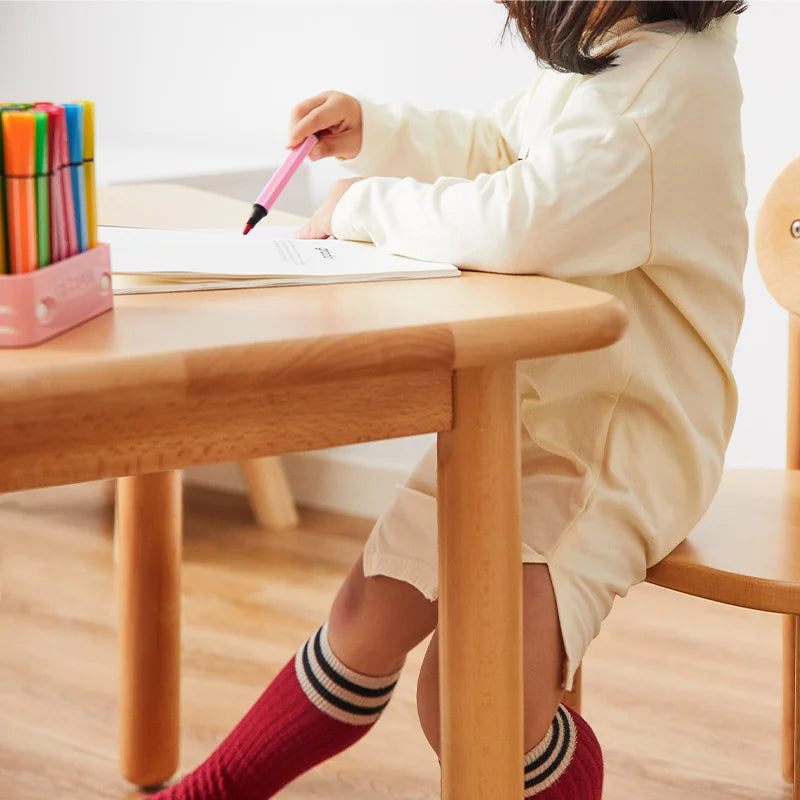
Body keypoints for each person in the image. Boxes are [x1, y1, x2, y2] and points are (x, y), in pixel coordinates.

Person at [151, 1, 748, 797]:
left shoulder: (667, 86)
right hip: (525, 406)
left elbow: (525, 220)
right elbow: (506, 151)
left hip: (617, 436)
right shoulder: (621, 52)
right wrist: (382, 129)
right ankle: (213, 790)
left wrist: (363, 207)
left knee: (474, 696)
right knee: (366, 613)